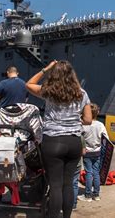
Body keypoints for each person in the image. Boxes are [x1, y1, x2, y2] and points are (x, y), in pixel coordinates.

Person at [26, 60, 92, 218]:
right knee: (68, 184)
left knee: (55, 185)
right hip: (74, 141)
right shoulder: (82, 93)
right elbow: (88, 120)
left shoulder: (48, 91)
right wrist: (74, 120)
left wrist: (46, 69)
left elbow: (28, 84)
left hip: (53, 140)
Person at [77, 103, 108, 202]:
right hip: (97, 152)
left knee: (89, 173)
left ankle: (87, 195)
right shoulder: (100, 125)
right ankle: (96, 194)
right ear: (97, 113)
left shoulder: (84, 125)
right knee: (96, 173)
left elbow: (79, 137)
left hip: (87, 152)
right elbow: (106, 139)